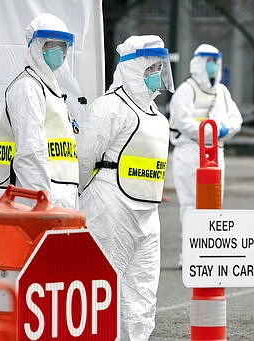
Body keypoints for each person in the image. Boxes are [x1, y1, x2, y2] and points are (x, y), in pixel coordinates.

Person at [77, 35, 174, 340]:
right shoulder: (110, 107)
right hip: (110, 207)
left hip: (148, 212)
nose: (157, 73)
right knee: (103, 285)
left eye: (160, 66)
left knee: (142, 291)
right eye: (151, 67)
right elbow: (84, 158)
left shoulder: (159, 117)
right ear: (133, 68)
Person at [0, 13, 79, 209]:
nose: (60, 51)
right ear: (38, 47)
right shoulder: (28, 87)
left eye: (64, 46)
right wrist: (44, 202)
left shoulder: (52, 89)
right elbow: (31, 152)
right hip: (40, 199)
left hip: (62, 197)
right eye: (53, 45)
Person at [169, 44, 242, 265]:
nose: (212, 66)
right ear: (199, 63)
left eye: (215, 61)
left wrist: (225, 130)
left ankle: (207, 254)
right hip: (190, 150)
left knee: (213, 204)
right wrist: (212, 130)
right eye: (208, 61)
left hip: (215, 152)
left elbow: (235, 119)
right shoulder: (186, 90)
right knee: (191, 204)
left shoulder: (222, 91)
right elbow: (182, 122)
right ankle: (189, 255)